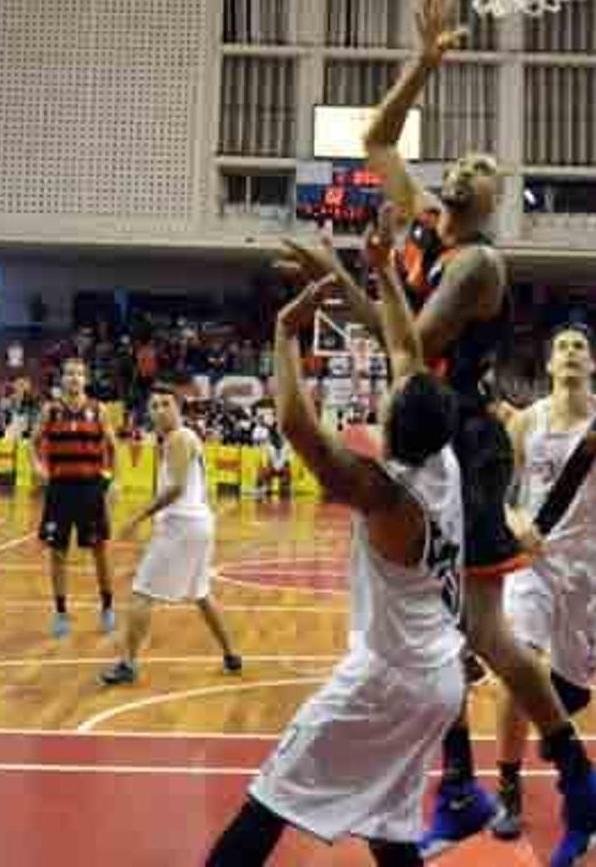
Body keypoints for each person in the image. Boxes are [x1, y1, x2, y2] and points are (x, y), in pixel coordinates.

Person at [291, 0, 596, 867]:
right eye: (467, 165)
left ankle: (544, 784)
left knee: (472, 627)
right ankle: (507, 784)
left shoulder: (480, 263)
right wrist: (425, 66)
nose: (473, 171)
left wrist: (347, 282)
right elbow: (374, 140)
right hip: (427, 437)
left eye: (488, 176)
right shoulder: (415, 219)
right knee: (452, 626)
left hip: (464, 444)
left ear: (490, 207)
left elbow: (408, 342)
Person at [207, 242, 462, 867]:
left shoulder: (383, 491)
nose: (387, 390)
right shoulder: (444, 462)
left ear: (395, 424)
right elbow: (406, 348)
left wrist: (284, 333)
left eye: (391, 396)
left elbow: (298, 425)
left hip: (388, 680)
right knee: (392, 828)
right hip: (439, 678)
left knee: (269, 799)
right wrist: (375, 272)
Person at [488, 324, 596, 842]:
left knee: (571, 693)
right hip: (533, 567)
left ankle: (554, 728)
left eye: (579, 346)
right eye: (560, 346)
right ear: (548, 364)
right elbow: (498, 491)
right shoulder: (526, 423)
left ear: (592, 363)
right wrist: (513, 519)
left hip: (590, 573)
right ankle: (508, 786)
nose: (569, 353)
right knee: (517, 668)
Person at [99, 382, 242, 686]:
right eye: (154, 406)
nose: (160, 410)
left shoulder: (178, 438)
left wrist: (138, 516)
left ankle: (128, 664)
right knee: (201, 594)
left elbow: (176, 488)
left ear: (179, 408)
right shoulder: (184, 437)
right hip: (199, 524)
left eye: (166, 404)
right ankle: (231, 655)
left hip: (182, 525)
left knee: (141, 592)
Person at [29, 358, 117, 639]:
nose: (74, 378)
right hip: (59, 489)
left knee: (99, 550)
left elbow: (113, 447)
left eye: (79, 373)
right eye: (69, 374)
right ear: (62, 379)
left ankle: (107, 607)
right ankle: (60, 612)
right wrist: (37, 466)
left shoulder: (99, 410)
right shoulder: (50, 410)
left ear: (86, 379)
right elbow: (32, 443)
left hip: (91, 489)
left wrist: (109, 477)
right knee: (57, 552)